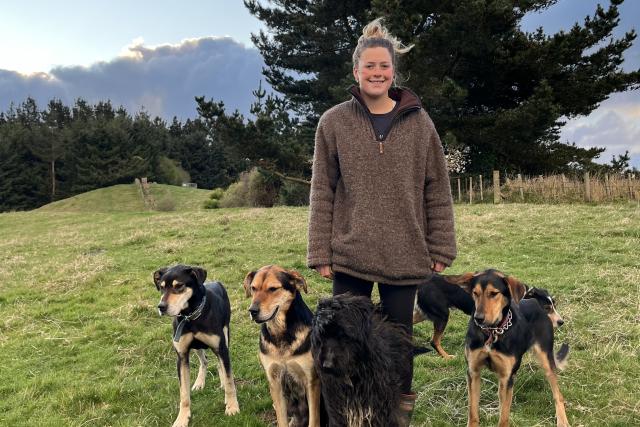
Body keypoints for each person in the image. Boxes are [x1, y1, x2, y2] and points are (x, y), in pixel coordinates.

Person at [307, 18, 457, 425]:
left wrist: (442, 247)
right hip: (350, 254)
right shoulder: (332, 123)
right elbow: (323, 190)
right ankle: (343, 415)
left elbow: (436, 189)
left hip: (405, 255)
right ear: (356, 71)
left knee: (398, 348)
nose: (377, 73)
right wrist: (320, 250)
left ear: (394, 73)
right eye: (369, 67)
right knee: (340, 343)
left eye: (384, 67)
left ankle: (394, 417)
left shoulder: (420, 124)